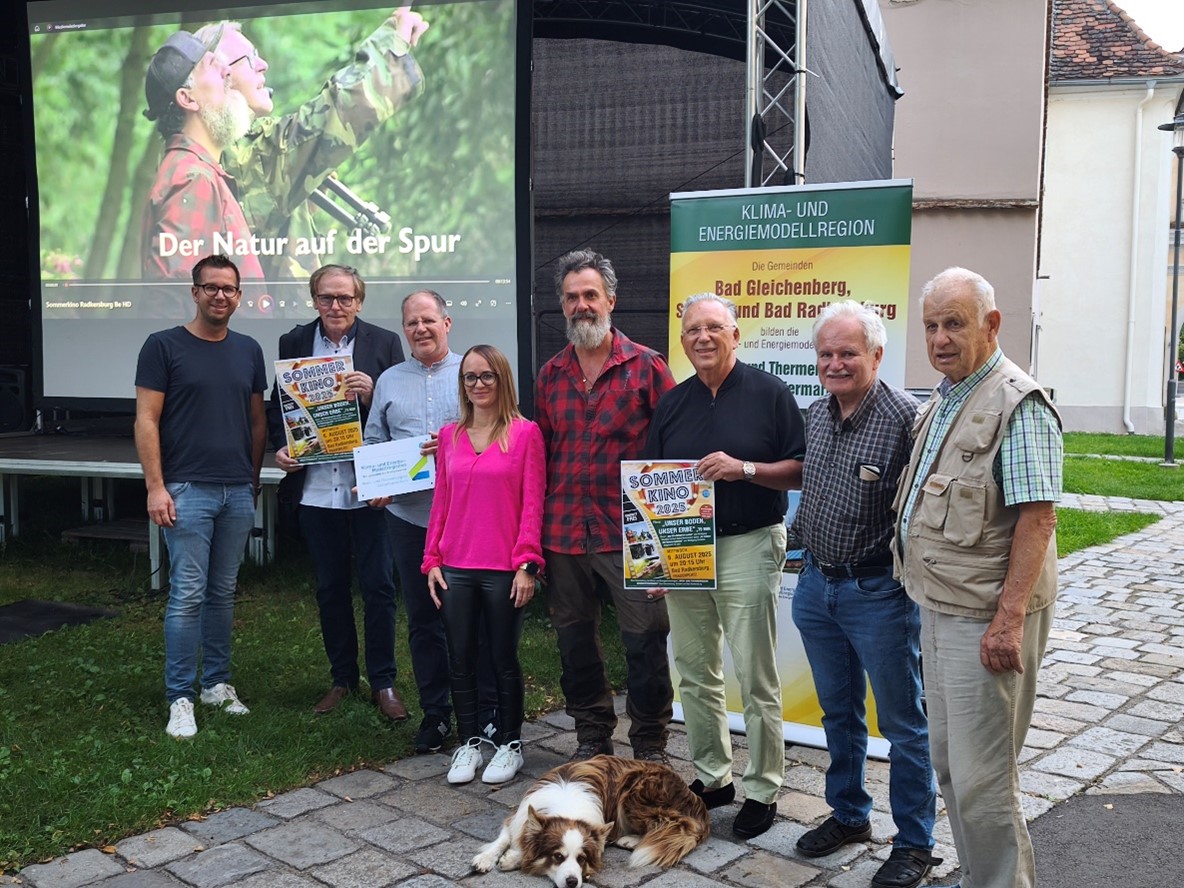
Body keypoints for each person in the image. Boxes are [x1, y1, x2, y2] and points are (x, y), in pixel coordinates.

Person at [892, 267, 1063, 888]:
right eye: (932, 325)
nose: (939, 338)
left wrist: (1010, 618)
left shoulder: (1017, 403)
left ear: (991, 325)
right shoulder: (948, 394)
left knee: (982, 776)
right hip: (941, 607)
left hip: (985, 620)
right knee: (949, 765)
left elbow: (1037, 518)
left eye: (954, 324)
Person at [645, 292, 804, 840]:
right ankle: (714, 778)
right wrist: (656, 563)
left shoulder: (770, 393)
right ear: (683, 340)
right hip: (687, 551)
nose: (703, 338)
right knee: (693, 671)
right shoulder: (673, 402)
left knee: (755, 674)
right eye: (693, 330)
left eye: (715, 328)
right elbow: (653, 483)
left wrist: (746, 468)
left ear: (736, 335)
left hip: (748, 543)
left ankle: (763, 786)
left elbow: (802, 468)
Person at [789, 301, 938, 888]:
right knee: (838, 713)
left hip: (879, 593)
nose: (834, 363)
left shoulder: (908, 418)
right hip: (817, 586)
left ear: (876, 355)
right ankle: (850, 814)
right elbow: (813, 490)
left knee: (904, 724)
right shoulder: (817, 413)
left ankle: (916, 844)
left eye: (847, 352)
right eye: (825, 353)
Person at [534, 249, 676, 764]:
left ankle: (649, 742)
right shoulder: (550, 375)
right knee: (574, 642)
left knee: (645, 642)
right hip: (566, 532)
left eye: (590, 295)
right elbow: (542, 455)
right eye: (571, 297)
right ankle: (592, 732)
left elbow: (673, 453)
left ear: (610, 300)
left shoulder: (647, 367)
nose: (581, 305)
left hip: (632, 535)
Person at [134, 254, 267, 739]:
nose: (220, 295)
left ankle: (216, 684)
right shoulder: (163, 346)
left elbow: (256, 422)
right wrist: (155, 486)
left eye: (229, 288)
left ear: (239, 295)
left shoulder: (249, 350)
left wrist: (251, 482)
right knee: (187, 595)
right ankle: (180, 697)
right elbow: (146, 419)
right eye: (210, 287)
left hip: (236, 489)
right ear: (194, 292)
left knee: (222, 594)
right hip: (185, 488)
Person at [266, 264, 407, 721]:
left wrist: (369, 396)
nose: (336, 306)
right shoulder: (293, 343)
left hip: (369, 489)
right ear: (314, 300)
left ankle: (384, 682)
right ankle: (342, 679)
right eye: (327, 298)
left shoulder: (384, 342)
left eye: (345, 298)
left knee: (380, 587)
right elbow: (279, 406)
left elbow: (396, 411)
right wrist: (280, 449)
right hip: (315, 491)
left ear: (359, 302)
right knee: (329, 589)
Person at [196, 7, 429, 279]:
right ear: (217, 75)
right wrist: (392, 43)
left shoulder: (229, 152)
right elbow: (334, 114)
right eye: (249, 58)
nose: (263, 65)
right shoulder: (237, 154)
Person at [364, 290, 498, 753]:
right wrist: (375, 483)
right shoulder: (388, 380)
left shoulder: (474, 374)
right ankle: (436, 714)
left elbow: (497, 435)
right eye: (411, 324)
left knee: (473, 618)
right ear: (404, 330)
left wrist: (454, 448)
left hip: (466, 519)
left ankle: (484, 712)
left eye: (428, 321)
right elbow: (375, 441)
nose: (420, 329)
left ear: (447, 322)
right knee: (423, 619)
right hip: (408, 518)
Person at [423, 345, 545, 785]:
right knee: (460, 659)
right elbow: (442, 502)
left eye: (487, 376)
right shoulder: (450, 436)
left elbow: (533, 502)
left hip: (503, 568)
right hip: (455, 564)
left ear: (502, 380)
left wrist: (528, 564)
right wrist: (431, 558)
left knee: (502, 658)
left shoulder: (525, 433)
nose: (478, 385)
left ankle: (510, 743)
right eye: (470, 377)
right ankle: (470, 741)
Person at [141, 30, 264, 294]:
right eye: (211, 64)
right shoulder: (193, 178)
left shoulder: (193, 172)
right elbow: (172, 295)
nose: (227, 71)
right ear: (187, 98)